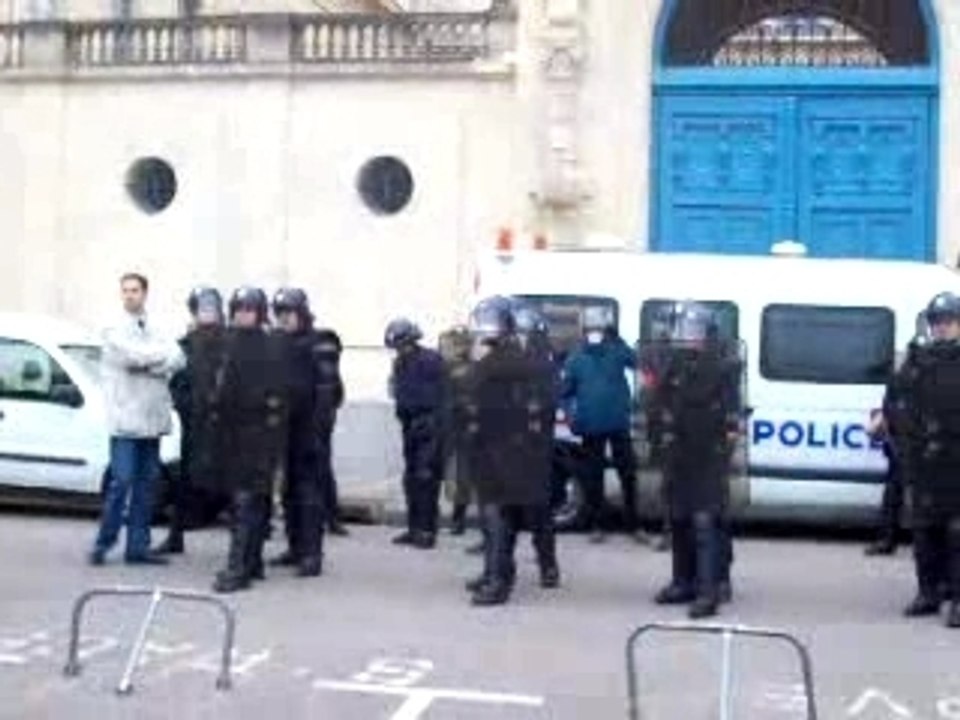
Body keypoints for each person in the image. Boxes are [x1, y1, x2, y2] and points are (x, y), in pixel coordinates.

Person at [463, 296, 559, 607]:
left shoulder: (506, 361)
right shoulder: (507, 359)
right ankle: (496, 571)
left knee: (501, 516)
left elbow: (478, 390)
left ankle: (498, 579)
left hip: (509, 452)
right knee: (498, 517)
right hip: (496, 450)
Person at [649, 301, 743, 619]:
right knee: (678, 520)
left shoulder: (724, 366)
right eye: (683, 331)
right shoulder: (674, 364)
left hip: (708, 455)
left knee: (706, 523)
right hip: (678, 455)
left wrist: (724, 454)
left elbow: (732, 418)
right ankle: (682, 582)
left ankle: (709, 590)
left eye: (693, 331)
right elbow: (658, 401)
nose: (687, 337)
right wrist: (659, 439)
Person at [90, 272, 184, 566]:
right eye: (125, 291)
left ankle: (137, 548)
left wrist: (153, 362)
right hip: (125, 419)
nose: (130, 295)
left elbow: (178, 358)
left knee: (146, 484)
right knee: (121, 481)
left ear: (145, 293)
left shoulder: (159, 326)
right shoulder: (111, 327)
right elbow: (130, 357)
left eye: (135, 290)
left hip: (152, 418)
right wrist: (158, 360)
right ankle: (104, 543)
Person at [205, 286, 290, 593]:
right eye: (239, 308)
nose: (243, 314)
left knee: (248, 502)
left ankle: (238, 567)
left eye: (249, 309)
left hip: (258, 434)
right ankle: (251, 563)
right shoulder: (230, 342)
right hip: (233, 434)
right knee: (249, 501)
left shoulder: (268, 346)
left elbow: (278, 391)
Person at [562, 305, 645, 544]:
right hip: (599, 423)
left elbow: (636, 361)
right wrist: (572, 417)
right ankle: (607, 524)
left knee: (621, 476)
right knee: (603, 477)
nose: (595, 332)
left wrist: (571, 417)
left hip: (610, 422)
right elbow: (566, 391)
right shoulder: (580, 356)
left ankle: (621, 525)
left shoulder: (610, 351)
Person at [904, 292, 960, 627]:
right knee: (925, 530)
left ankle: (958, 599)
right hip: (926, 459)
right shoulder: (919, 358)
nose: (942, 328)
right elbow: (899, 398)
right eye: (937, 322)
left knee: (958, 534)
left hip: (957, 459)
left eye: (949, 322)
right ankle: (929, 592)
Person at [154, 285, 224, 555]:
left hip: (225, 426)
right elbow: (176, 383)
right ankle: (175, 536)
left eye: (211, 308)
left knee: (234, 485)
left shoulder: (228, 343)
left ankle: (246, 546)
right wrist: (186, 406)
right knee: (185, 481)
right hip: (195, 424)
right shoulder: (185, 345)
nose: (208, 314)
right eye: (202, 308)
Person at [268, 287, 332, 577]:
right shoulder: (278, 344)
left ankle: (311, 554)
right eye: (279, 314)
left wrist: (318, 429)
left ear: (301, 313)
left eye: (289, 314)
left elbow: (328, 390)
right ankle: (295, 547)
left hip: (310, 430)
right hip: (284, 428)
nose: (284, 320)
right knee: (289, 492)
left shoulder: (318, 343)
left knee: (309, 494)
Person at [385, 318, 445, 549]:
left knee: (426, 478)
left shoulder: (431, 360)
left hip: (430, 426)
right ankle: (413, 528)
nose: (400, 350)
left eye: (402, 344)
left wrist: (436, 423)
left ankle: (427, 530)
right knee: (411, 479)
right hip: (409, 425)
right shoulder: (400, 363)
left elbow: (442, 395)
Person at [439, 324, 474, 536]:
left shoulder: (466, 369)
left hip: (460, 428)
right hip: (448, 426)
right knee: (454, 474)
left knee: (461, 475)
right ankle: (455, 518)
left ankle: (458, 519)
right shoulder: (444, 367)